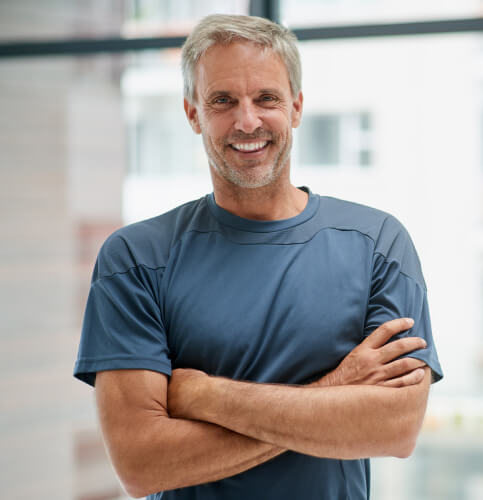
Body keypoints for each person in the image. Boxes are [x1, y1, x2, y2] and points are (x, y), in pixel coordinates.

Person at [74, 13, 442, 500]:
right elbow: (142, 463)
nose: (247, 122)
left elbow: (394, 428)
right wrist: (337, 389)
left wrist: (207, 395)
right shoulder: (137, 259)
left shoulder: (376, 244)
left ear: (295, 107)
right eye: (222, 101)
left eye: (266, 98)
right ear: (192, 114)